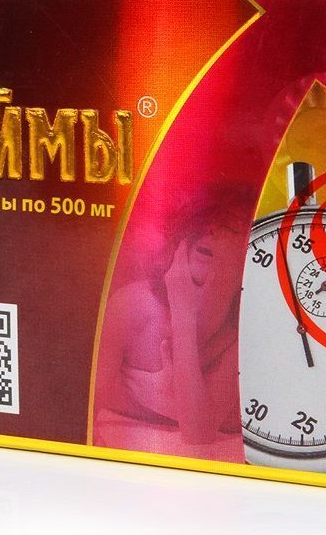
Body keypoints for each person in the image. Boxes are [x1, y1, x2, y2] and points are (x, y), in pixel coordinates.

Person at [93, 184, 253, 462]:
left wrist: (184, 317)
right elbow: (89, 403)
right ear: (178, 249)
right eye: (205, 251)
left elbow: (198, 434)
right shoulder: (133, 306)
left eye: (234, 256)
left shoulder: (239, 334)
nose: (215, 273)